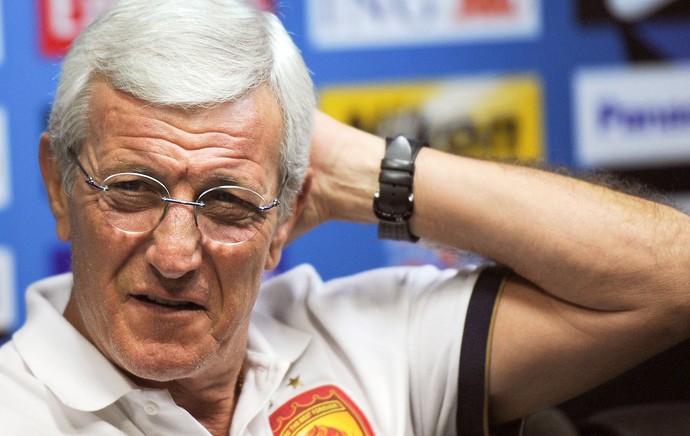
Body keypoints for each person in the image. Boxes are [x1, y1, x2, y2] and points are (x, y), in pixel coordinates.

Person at [1, 0, 689, 435]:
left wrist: (367, 173)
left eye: (231, 202)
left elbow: (673, 279)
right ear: (60, 190)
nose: (176, 254)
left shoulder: (368, 340)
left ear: (288, 215)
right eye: (134, 190)